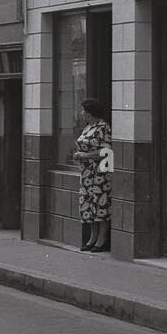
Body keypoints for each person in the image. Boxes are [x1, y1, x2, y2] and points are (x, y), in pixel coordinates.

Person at [73, 98, 112, 253]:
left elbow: (107, 151)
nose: (82, 113)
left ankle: (101, 240)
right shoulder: (87, 128)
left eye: (83, 110)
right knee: (89, 205)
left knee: (100, 206)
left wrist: (84, 155)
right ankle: (92, 238)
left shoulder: (103, 127)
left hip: (100, 173)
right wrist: (79, 156)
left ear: (90, 112)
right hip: (87, 173)